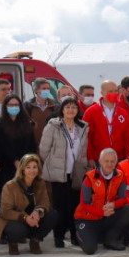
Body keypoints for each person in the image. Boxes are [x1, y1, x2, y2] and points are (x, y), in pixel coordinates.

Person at [39, 96, 89, 248]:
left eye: (73, 107)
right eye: (67, 107)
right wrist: (52, 163)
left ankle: (75, 235)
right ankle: (58, 237)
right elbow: (43, 149)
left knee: (75, 206)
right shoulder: (53, 125)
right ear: (62, 110)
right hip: (59, 173)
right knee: (60, 207)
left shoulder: (83, 126)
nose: (70, 110)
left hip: (76, 173)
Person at [74, 147, 129, 254]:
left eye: (112, 161)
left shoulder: (120, 175)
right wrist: (102, 212)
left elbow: (123, 199)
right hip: (88, 218)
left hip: (106, 215)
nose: (109, 164)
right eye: (106, 161)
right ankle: (80, 233)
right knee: (90, 249)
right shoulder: (90, 177)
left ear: (116, 162)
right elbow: (84, 204)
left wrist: (114, 205)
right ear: (100, 161)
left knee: (128, 209)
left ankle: (110, 239)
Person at [0, 153, 56, 255]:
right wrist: (25, 218)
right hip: (15, 219)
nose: (32, 170)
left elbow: (44, 203)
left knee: (52, 215)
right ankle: (13, 243)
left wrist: (37, 212)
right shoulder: (10, 186)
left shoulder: (40, 183)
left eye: (34, 167)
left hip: (33, 218)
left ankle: (35, 241)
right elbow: (5, 212)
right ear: (22, 169)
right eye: (28, 167)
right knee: (17, 229)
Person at [83, 80, 129, 164]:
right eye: (110, 91)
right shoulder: (91, 112)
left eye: (116, 91)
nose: (114, 93)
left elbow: (127, 137)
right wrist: (90, 157)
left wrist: (128, 156)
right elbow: (87, 137)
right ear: (102, 93)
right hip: (98, 158)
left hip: (119, 158)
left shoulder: (123, 112)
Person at [0, 94, 37, 184]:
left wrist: (28, 162)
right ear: (5, 106)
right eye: (11, 105)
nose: (14, 107)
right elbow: (0, 145)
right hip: (6, 166)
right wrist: (15, 160)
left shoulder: (27, 123)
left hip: (26, 166)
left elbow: (32, 145)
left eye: (16, 105)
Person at [24, 77, 57, 147]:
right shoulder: (27, 106)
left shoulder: (55, 106)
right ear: (36, 90)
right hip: (33, 146)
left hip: (51, 146)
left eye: (48, 89)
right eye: (44, 89)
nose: (47, 91)